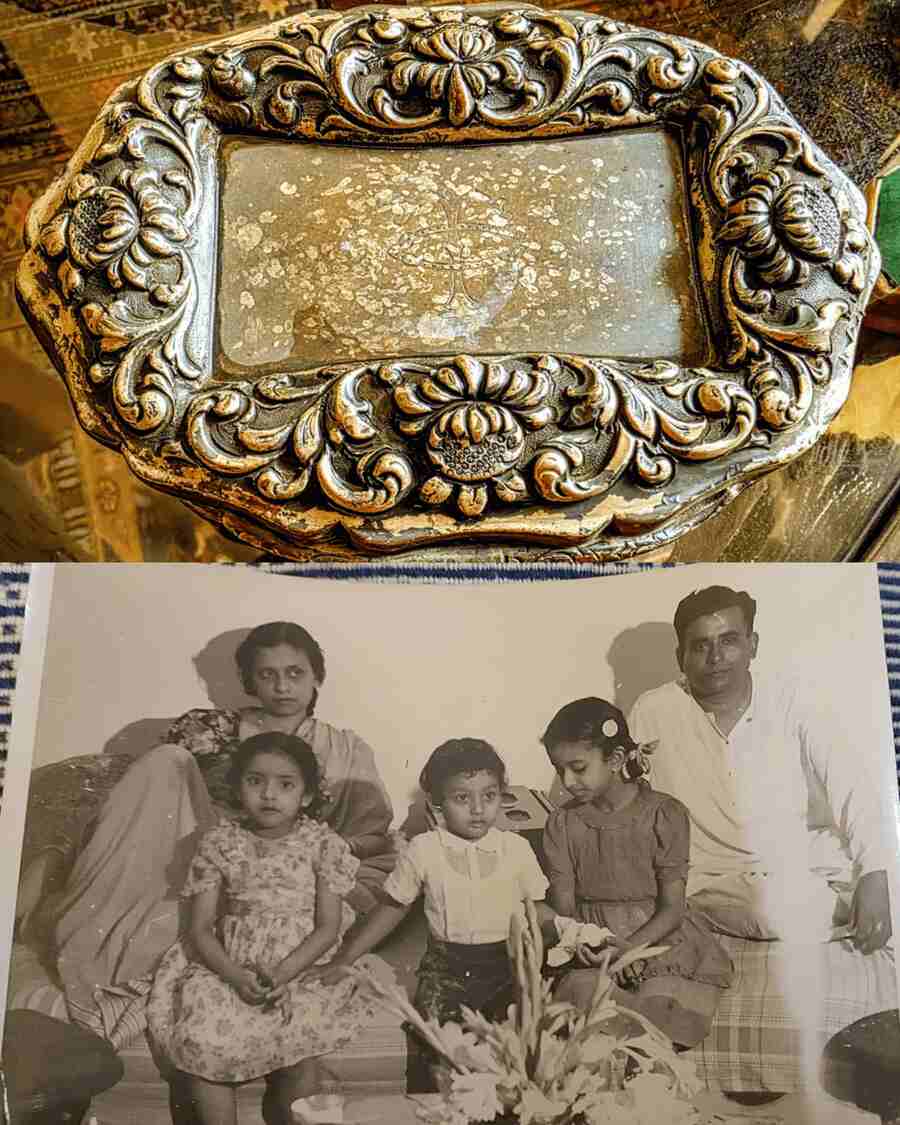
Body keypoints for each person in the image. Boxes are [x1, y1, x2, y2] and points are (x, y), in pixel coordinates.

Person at [15, 621, 395, 1048]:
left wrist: (308, 846)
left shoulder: (344, 748)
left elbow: (374, 837)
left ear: (316, 678)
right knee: (168, 760)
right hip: (201, 854)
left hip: (290, 871)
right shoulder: (206, 730)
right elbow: (149, 802)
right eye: (267, 674)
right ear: (249, 680)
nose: (282, 686)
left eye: (295, 673)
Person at [627, 586, 894, 951]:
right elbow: (629, 801)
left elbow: (853, 787)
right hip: (713, 876)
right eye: (701, 645)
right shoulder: (653, 711)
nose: (717, 657)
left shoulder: (797, 700)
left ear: (753, 644)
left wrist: (875, 874)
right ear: (680, 656)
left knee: (881, 883)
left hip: (805, 864)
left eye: (729, 640)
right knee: (765, 910)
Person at [147, 732, 381, 1125]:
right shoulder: (220, 842)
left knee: (301, 1043)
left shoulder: (322, 844)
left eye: (285, 784)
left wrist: (285, 973)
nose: (269, 794)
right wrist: (236, 976)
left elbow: (328, 928)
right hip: (232, 966)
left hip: (301, 966)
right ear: (238, 787)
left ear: (306, 795)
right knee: (202, 1038)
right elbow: (202, 928)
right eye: (255, 781)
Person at [310, 740, 552, 1073]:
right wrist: (345, 958)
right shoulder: (425, 850)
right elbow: (392, 908)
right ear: (438, 805)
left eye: (489, 795)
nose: (478, 809)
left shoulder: (517, 849)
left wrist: (579, 939)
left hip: (506, 966)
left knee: (511, 1057)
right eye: (462, 798)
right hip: (446, 970)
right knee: (439, 1050)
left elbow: (537, 911)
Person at [541, 698, 733, 1048]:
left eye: (578, 768)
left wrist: (630, 950)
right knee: (584, 1003)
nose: (567, 781)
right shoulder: (562, 823)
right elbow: (565, 910)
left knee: (657, 1019)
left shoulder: (666, 814)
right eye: (559, 770)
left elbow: (673, 908)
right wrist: (584, 941)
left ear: (615, 760)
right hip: (594, 942)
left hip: (658, 941)